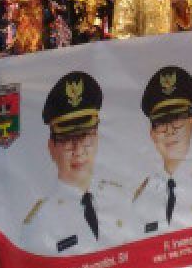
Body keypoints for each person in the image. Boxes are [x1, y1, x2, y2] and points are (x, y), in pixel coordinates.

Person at [22, 71, 126, 255]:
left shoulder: (120, 197)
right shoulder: (39, 220)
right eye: (67, 139)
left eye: (85, 136)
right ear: (52, 147)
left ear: (97, 138)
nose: (78, 150)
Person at [132, 66, 192, 234]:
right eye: (161, 122)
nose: (170, 130)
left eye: (177, 118)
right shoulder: (143, 195)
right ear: (152, 134)